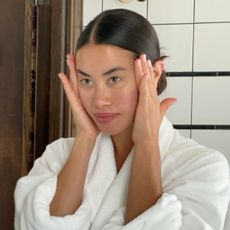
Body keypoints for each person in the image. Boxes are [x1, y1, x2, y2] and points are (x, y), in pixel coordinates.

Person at [14, 8, 230, 230]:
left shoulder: (203, 168)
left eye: (114, 79)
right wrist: (85, 139)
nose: (99, 100)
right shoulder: (58, 155)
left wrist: (147, 143)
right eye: (86, 81)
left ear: (153, 74)